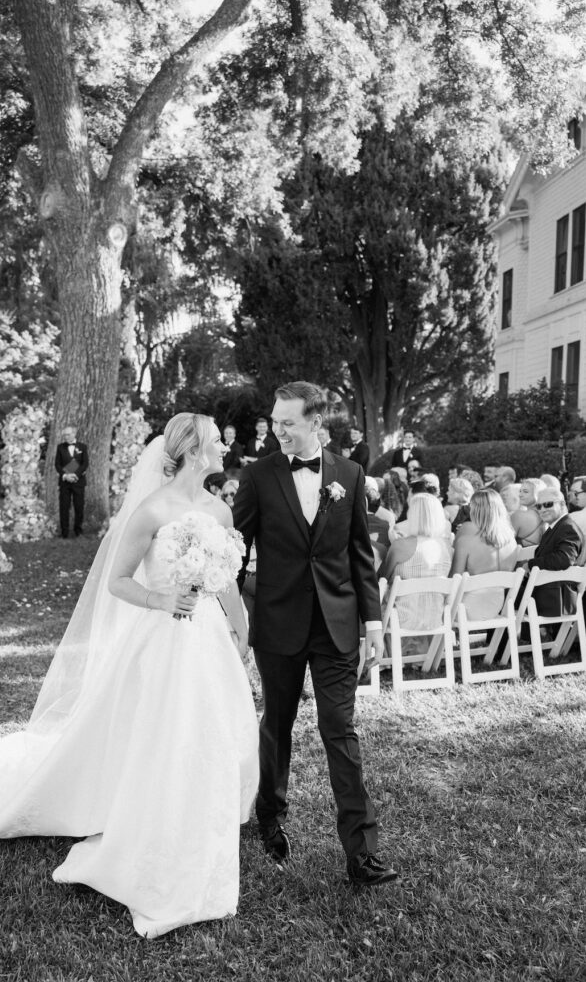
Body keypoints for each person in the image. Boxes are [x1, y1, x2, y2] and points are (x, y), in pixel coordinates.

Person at [0, 413, 259, 938]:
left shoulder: (219, 507)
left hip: (208, 641)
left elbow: (227, 583)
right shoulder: (152, 510)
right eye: (218, 440)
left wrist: (242, 631)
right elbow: (118, 582)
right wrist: (161, 598)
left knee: (213, 734)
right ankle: (150, 825)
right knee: (163, 736)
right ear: (194, 449)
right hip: (162, 640)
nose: (226, 446)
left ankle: (200, 820)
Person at [233, 380, 398, 889]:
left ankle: (362, 853)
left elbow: (359, 558)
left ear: (314, 423)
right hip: (278, 624)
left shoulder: (349, 474)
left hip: (337, 624)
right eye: (275, 421)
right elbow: (235, 549)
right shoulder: (258, 476)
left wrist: (372, 623)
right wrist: (226, 613)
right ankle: (271, 817)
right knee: (277, 723)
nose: (276, 430)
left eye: (287, 422)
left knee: (339, 730)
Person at [378, 494, 453, 652]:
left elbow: (384, 579)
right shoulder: (446, 547)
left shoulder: (400, 546)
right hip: (435, 617)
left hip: (402, 618)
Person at [450, 490, 519, 619]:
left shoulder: (466, 541)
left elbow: (454, 580)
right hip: (497, 605)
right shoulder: (511, 541)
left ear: (474, 510)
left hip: (467, 608)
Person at [525, 486, 583, 618]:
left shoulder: (567, 527)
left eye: (548, 504)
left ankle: (503, 637)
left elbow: (564, 559)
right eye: (538, 506)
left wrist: (530, 564)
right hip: (549, 593)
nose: (543, 510)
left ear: (562, 504)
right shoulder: (556, 527)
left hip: (556, 598)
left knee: (505, 595)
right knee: (504, 592)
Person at [55, 426, 88, 538]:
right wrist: (65, 475)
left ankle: (78, 531)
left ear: (74, 434)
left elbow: (85, 464)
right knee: (64, 507)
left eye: (68, 434)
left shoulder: (82, 447)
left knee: (79, 506)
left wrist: (75, 474)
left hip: (78, 482)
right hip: (65, 482)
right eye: (65, 435)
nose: (66, 437)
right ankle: (64, 532)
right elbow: (57, 465)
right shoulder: (60, 447)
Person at [511, 478, 544, 548]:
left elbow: (504, 544)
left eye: (525, 492)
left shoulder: (518, 516)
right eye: (520, 491)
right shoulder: (548, 517)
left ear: (537, 494)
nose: (520, 495)